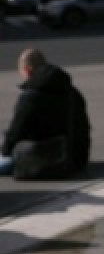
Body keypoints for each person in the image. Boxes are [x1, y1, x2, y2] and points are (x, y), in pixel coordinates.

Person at [0, 48, 90, 179]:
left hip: (44, 159)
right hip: (75, 158)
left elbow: (16, 132)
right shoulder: (72, 92)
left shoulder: (31, 96)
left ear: (26, 70)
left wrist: (5, 150)